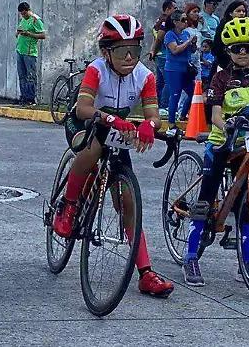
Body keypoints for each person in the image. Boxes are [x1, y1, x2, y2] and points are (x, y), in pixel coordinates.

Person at [53, 15, 175, 297]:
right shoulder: (97, 70)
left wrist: (149, 125)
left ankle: (145, 273)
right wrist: (107, 118)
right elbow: (83, 107)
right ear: (106, 53)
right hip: (85, 124)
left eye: (135, 49)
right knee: (93, 149)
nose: (130, 57)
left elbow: (155, 117)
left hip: (116, 133)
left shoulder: (145, 76)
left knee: (129, 203)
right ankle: (69, 204)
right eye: (122, 50)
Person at [182, 16, 249, 287]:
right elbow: (214, 115)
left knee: (245, 206)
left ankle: (246, 262)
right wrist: (226, 125)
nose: (242, 53)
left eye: (248, 48)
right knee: (205, 200)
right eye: (237, 48)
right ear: (228, 51)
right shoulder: (220, 77)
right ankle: (191, 256)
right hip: (222, 143)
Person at [162, 10, 196, 119]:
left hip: (185, 68)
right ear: (175, 22)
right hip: (174, 69)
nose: (185, 22)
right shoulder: (170, 35)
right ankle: (171, 123)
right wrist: (188, 42)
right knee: (175, 94)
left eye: (186, 19)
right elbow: (175, 50)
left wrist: (193, 43)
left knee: (194, 93)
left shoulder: (186, 34)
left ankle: (182, 115)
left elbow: (192, 50)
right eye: (182, 20)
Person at [148, 0, 177, 117]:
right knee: (169, 82)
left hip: (159, 55)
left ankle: (155, 105)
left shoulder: (159, 19)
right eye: (174, 8)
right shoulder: (165, 21)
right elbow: (159, 38)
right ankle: (164, 106)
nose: (176, 10)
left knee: (160, 83)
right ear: (168, 9)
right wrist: (153, 50)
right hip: (163, 55)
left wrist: (153, 51)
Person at [15, 1, 46, 105]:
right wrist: (18, 32)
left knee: (30, 76)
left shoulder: (36, 20)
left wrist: (29, 34)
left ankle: (31, 98)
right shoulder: (23, 19)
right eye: (22, 14)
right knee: (22, 75)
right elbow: (18, 32)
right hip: (20, 50)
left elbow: (42, 35)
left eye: (25, 13)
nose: (23, 15)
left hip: (30, 52)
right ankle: (23, 96)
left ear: (29, 10)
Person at [212, 0, 249, 73]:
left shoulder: (248, 26)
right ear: (231, 13)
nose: (241, 14)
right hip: (224, 63)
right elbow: (216, 47)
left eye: (243, 11)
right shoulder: (224, 25)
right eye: (238, 11)